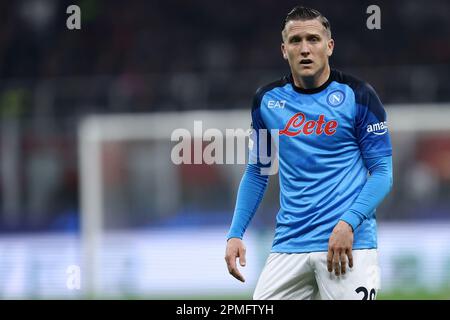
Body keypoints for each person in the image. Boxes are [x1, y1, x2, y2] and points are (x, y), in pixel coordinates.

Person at [224, 6, 393, 300]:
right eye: (295, 40)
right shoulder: (267, 100)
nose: (304, 49)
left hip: (348, 244)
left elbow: (382, 172)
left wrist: (348, 222)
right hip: (289, 244)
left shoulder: (359, 96)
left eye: (313, 39)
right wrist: (235, 233)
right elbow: (257, 172)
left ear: (329, 46)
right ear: (283, 49)